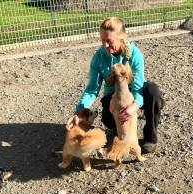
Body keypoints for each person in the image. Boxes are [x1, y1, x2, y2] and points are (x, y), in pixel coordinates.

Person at [66, 17, 164, 153]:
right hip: (113, 94)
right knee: (108, 119)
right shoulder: (99, 57)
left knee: (154, 93)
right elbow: (92, 89)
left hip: (133, 91)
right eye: (102, 41)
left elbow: (138, 85)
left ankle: (150, 137)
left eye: (109, 41)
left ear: (121, 38)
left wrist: (135, 106)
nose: (105, 45)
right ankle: (118, 130)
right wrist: (80, 113)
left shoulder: (135, 54)